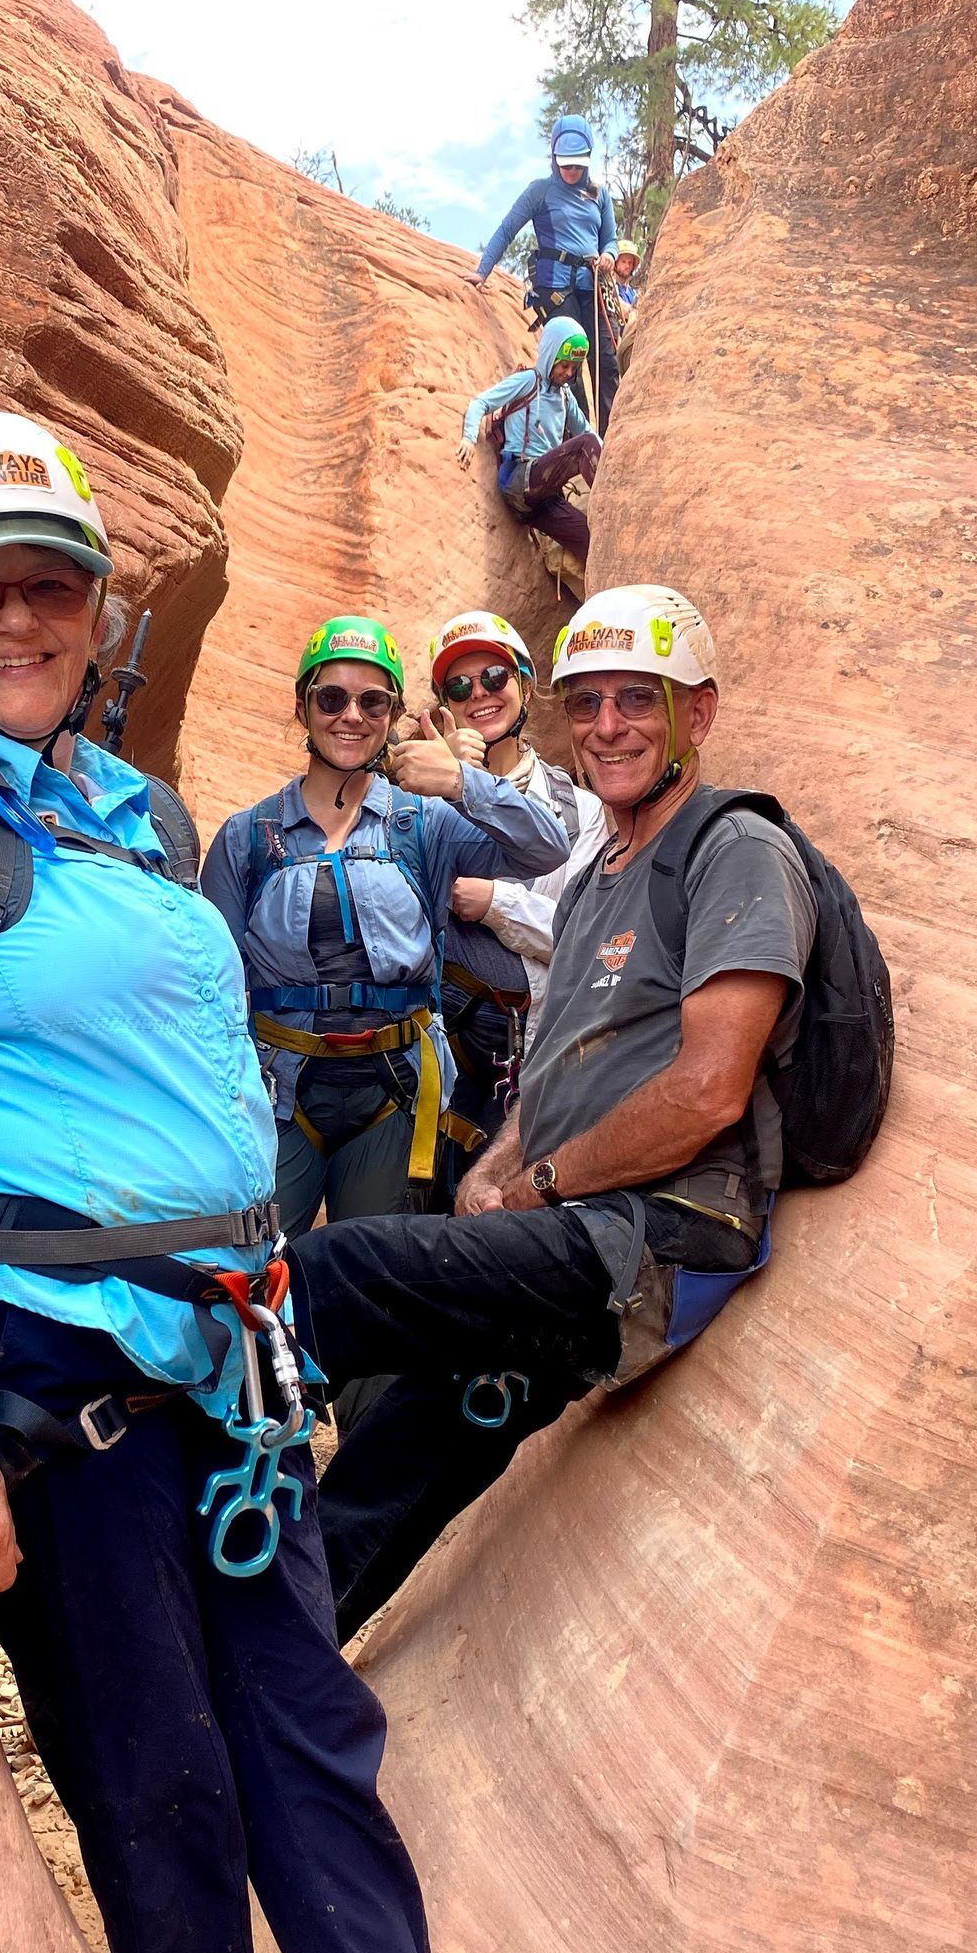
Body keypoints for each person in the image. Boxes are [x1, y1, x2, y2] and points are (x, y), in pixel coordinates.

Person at [0, 422, 707, 1953]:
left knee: (306, 1735)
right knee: (159, 1775)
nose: (18, 615)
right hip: (53, 1374)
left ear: (100, 603)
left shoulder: (114, 813)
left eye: (49, 578)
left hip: (219, 1355)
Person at [294, 585, 817, 1642]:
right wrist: (497, 1168)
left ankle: (108, 1434)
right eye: (589, 705)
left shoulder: (734, 848)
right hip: (568, 1237)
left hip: (654, 1237)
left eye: (638, 700)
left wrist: (534, 1188)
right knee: (397, 1451)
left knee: (330, 1272)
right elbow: (562, 1062)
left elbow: (708, 1087)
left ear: (697, 714)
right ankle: (270, 1670)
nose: (608, 727)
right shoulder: (594, 879)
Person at [201, 617, 569, 1236]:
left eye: (373, 701)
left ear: (393, 712)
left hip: (394, 1091)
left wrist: (460, 781)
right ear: (302, 709)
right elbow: (210, 984)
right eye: (331, 698)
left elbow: (547, 848)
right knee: (251, 1260)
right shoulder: (248, 837)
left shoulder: (424, 823)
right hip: (278, 1094)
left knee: (368, 1268)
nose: (352, 715)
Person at [426, 607, 607, 1189]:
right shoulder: (413, 801)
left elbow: (590, 938)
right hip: (431, 1050)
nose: (478, 694)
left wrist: (497, 902)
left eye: (494, 678)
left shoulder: (581, 811)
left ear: (525, 687)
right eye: (459, 686)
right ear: (443, 706)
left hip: (524, 1055)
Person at [467, 114, 620, 426]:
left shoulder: (599, 195)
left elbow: (611, 240)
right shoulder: (540, 192)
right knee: (570, 363)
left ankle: (612, 436)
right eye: (566, 164)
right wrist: (483, 271)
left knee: (606, 360)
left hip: (592, 286)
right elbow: (507, 229)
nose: (572, 170)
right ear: (554, 157)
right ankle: (579, 441)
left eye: (577, 164)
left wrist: (608, 255)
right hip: (556, 289)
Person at [459, 317, 600, 575]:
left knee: (597, 544)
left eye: (574, 368)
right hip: (520, 480)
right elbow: (480, 403)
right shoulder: (528, 381)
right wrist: (469, 437)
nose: (569, 373)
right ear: (549, 357)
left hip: (542, 501)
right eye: (564, 365)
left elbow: (588, 431)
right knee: (583, 446)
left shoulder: (565, 396)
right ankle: (609, 504)